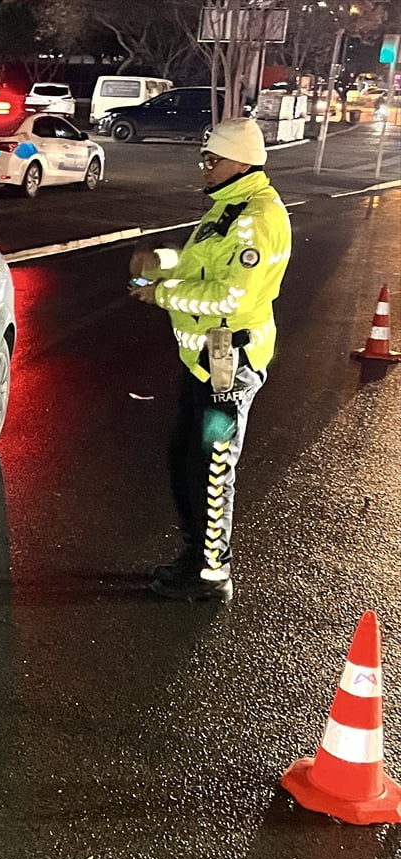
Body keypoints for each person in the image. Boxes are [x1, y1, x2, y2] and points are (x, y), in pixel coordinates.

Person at [129, 118, 291, 602]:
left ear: (241, 162)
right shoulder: (227, 206)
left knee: (212, 467)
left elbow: (229, 297)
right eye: (204, 158)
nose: (205, 167)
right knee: (185, 461)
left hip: (229, 367)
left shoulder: (256, 219)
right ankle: (195, 554)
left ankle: (211, 574)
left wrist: (161, 294)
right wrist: (160, 262)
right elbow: (201, 265)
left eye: (212, 159)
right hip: (204, 362)